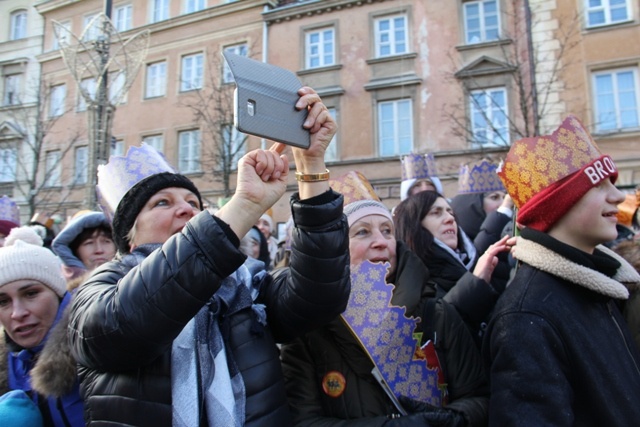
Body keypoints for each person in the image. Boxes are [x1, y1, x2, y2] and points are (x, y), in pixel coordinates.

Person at [67, 86, 351, 426]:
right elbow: (123, 327)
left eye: (193, 203)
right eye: (163, 203)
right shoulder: (103, 286)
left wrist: (312, 167)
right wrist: (243, 206)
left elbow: (318, 297)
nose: (186, 210)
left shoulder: (245, 284)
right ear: (128, 234)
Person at [281, 171, 488, 426]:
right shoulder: (307, 330)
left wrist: (444, 421)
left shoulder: (437, 314)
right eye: (362, 232)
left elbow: (478, 398)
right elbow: (302, 421)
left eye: (387, 231)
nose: (381, 242)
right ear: (333, 249)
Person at [483, 115, 640, 425]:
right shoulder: (526, 317)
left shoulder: (600, 287)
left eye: (614, 182)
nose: (619, 197)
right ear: (557, 205)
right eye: (598, 184)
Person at [394, 190, 509, 346]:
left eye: (450, 212)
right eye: (436, 213)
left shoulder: (471, 265)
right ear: (414, 226)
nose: (449, 218)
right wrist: (475, 284)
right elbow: (439, 330)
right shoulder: (413, 283)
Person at [0, 226, 84, 426]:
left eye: (31, 294)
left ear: (58, 293)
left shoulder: (100, 339)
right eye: (3, 301)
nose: (17, 313)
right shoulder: (7, 362)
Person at [449, 159, 514, 253]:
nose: (502, 203)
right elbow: (479, 254)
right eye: (494, 197)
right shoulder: (456, 240)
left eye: (504, 197)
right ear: (473, 204)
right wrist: (503, 211)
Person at [51, 211, 116, 281]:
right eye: (89, 243)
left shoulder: (128, 284)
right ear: (74, 251)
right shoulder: (57, 287)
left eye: (106, 241)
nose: (99, 250)